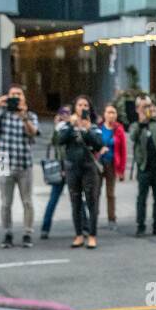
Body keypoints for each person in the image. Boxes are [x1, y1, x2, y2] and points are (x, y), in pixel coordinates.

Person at [0, 84, 39, 248]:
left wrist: (23, 117)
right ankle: (7, 232)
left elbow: (33, 133)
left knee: (27, 201)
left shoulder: (30, 115)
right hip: (3, 160)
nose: (16, 97)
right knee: (5, 202)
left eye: (18, 94)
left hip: (25, 161)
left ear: (23, 97)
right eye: (12, 94)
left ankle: (27, 232)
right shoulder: (2, 114)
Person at [56, 95, 105, 249]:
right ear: (74, 108)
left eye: (86, 105)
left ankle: (92, 235)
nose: (83, 108)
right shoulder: (67, 125)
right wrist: (71, 125)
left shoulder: (94, 126)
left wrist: (88, 128)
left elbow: (98, 144)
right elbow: (60, 140)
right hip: (72, 167)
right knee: (75, 202)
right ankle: (78, 235)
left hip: (89, 167)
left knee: (92, 201)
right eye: (80, 105)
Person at [130, 94, 156, 237]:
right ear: (137, 108)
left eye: (148, 105)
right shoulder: (136, 125)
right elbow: (133, 137)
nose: (147, 108)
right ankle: (140, 226)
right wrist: (141, 122)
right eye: (144, 106)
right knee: (142, 198)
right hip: (144, 167)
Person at [94, 103, 126, 231]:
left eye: (113, 112)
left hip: (112, 164)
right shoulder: (98, 128)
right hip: (99, 163)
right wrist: (99, 150)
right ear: (104, 114)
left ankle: (112, 219)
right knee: (96, 192)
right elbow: (93, 144)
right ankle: (94, 217)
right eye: (108, 112)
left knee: (110, 193)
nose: (111, 115)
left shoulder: (119, 129)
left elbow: (123, 150)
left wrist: (121, 170)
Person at [39, 106, 70, 240]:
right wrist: (56, 126)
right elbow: (52, 143)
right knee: (53, 198)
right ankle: (45, 228)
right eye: (63, 113)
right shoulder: (58, 129)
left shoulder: (73, 127)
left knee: (78, 198)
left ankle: (85, 227)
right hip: (60, 167)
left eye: (68, 113)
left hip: (72, 167)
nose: (66, 116)